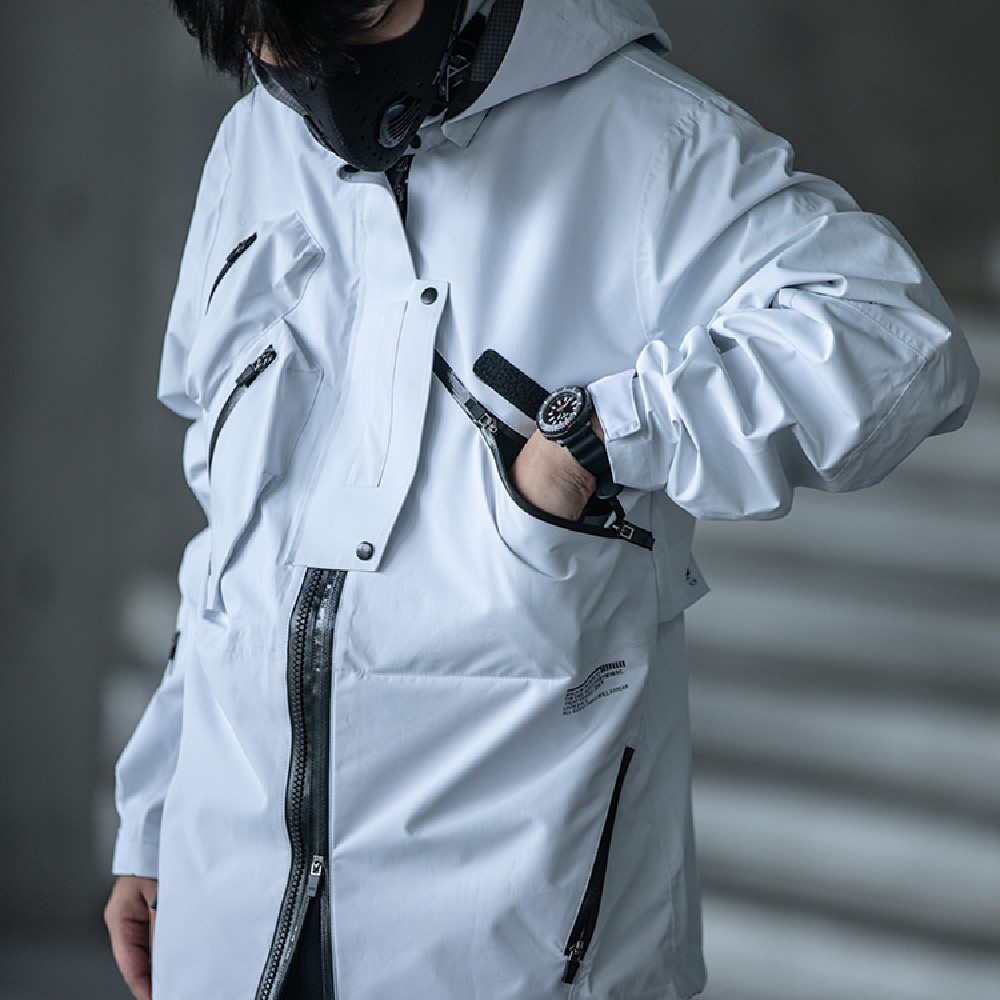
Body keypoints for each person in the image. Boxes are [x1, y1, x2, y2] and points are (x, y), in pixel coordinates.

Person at [104, 1, 979, 998]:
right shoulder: (252, 146)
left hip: (515, 937)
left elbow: (898, 341)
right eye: (276, 49)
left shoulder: (645, 136)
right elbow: (232, 532)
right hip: (230, 909)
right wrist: (156, 817)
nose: (319, 78)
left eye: (363, 13)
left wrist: (600, 436)